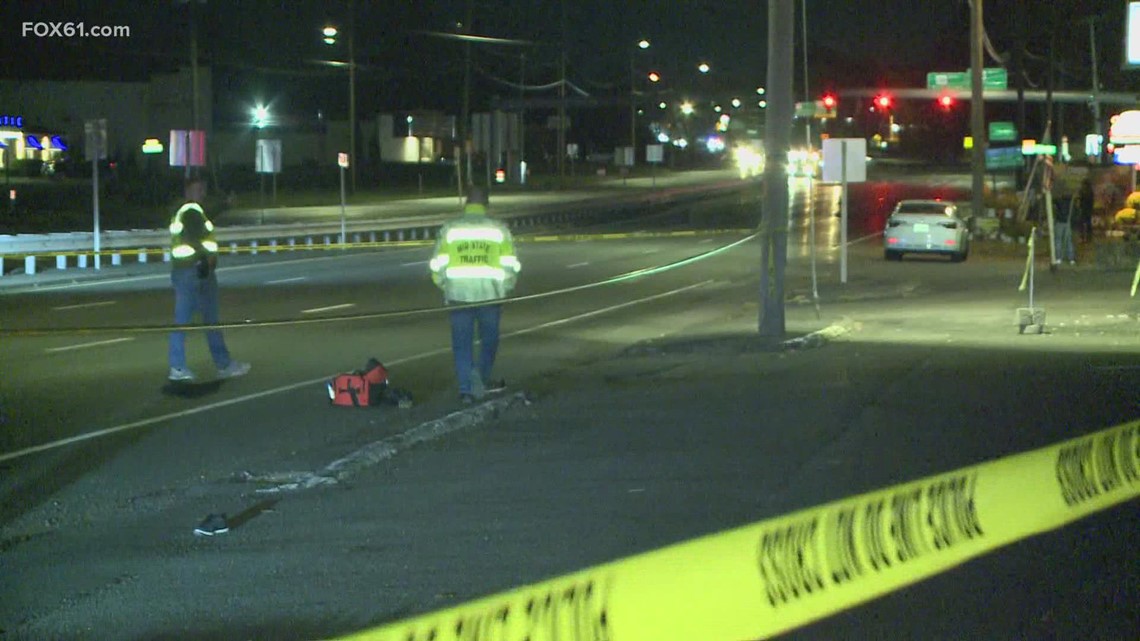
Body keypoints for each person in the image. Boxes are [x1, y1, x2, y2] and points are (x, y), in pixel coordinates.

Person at [429, 187, 521, 403]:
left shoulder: (450, 229)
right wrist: (504, 288)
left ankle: (466, 390)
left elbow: (437, 265)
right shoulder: (498, 230)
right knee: (489, 340)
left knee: (462, 344)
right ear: (486, 204)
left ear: (466, 203)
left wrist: (446, 286)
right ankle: (480, 377)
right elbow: (510, 265)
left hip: (458, 296)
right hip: (490, 296)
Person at [167, 180, 250, 382]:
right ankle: (181, 366)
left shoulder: (193, 210)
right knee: (188, 320)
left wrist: (226, 204)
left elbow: (208, 217)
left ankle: (220, 363)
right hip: (193, 271)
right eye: (198, 188)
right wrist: (206, 256)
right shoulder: (190, 210)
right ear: (188, 190)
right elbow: (193, 238)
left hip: (196, 272)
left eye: (203, 188)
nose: (202, 192)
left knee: (206, 320)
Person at [1051, 188, 1077, 266]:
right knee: (1069, 241)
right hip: (1067, 222)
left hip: (1059, 222)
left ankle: (1059, 258)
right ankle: (1071, 259)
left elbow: (1053, 201)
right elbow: (1075, 211)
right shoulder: (1071, 202)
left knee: (1058, 240)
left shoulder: (1059, 201)